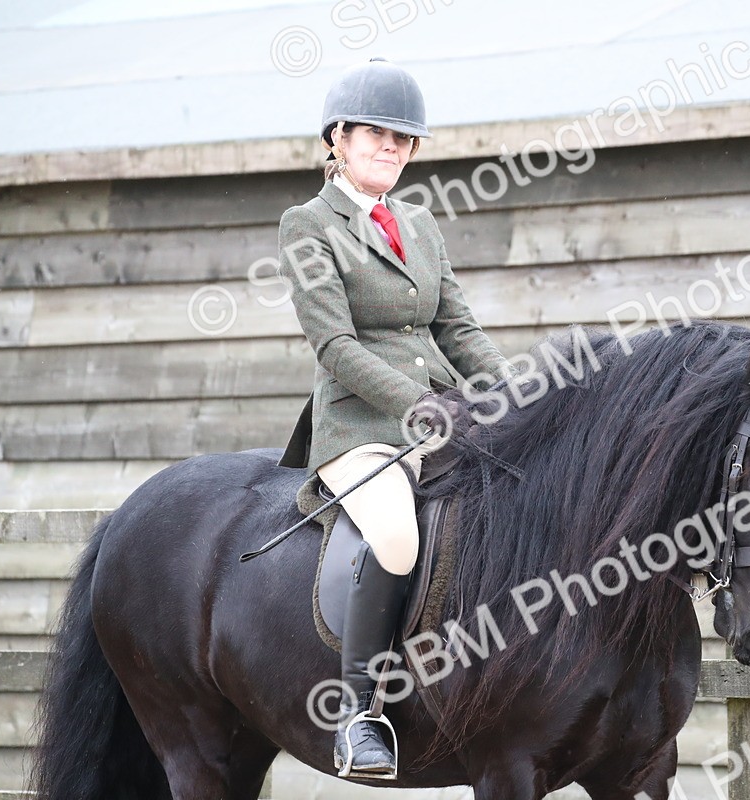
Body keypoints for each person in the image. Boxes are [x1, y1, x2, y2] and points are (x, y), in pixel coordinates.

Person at [275, 58, 515, 777]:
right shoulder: (308, 226)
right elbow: (335, 345)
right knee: (397, 536)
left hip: (449, 416)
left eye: (403, 139)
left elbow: (459, 329)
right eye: (376, 134)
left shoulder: (420, 222)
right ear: (339, 138)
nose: (391, 148)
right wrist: (421, 406)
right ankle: (359, 714)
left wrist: (519, 398)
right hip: (363, 429)